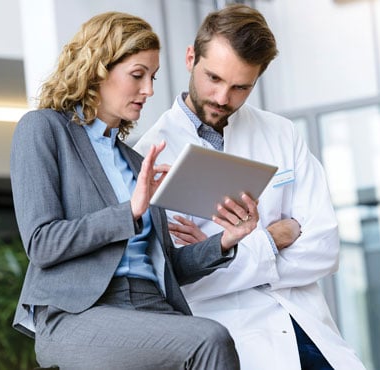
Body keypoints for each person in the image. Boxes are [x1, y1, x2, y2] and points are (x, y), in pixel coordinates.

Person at [9, 11, 260, 370]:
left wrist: (227, 240)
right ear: (97, 68)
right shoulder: (44, 129)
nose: (149, 91)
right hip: (79, 313)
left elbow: (168, 265)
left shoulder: (134, 158)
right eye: (137, 75)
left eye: (153, 77)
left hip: (152, 306)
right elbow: (42, 243)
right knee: (210, 339)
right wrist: (129, 211)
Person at [133, 4, 366, 370]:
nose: (223, 98)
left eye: (241, 86)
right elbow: (183, 283)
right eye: (213, 78)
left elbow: (323, 248)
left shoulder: (281, 133)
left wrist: (218, 254)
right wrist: (273, 239)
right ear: (191, 57)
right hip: (238, 343)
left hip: (310, 330)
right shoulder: (149, 155)